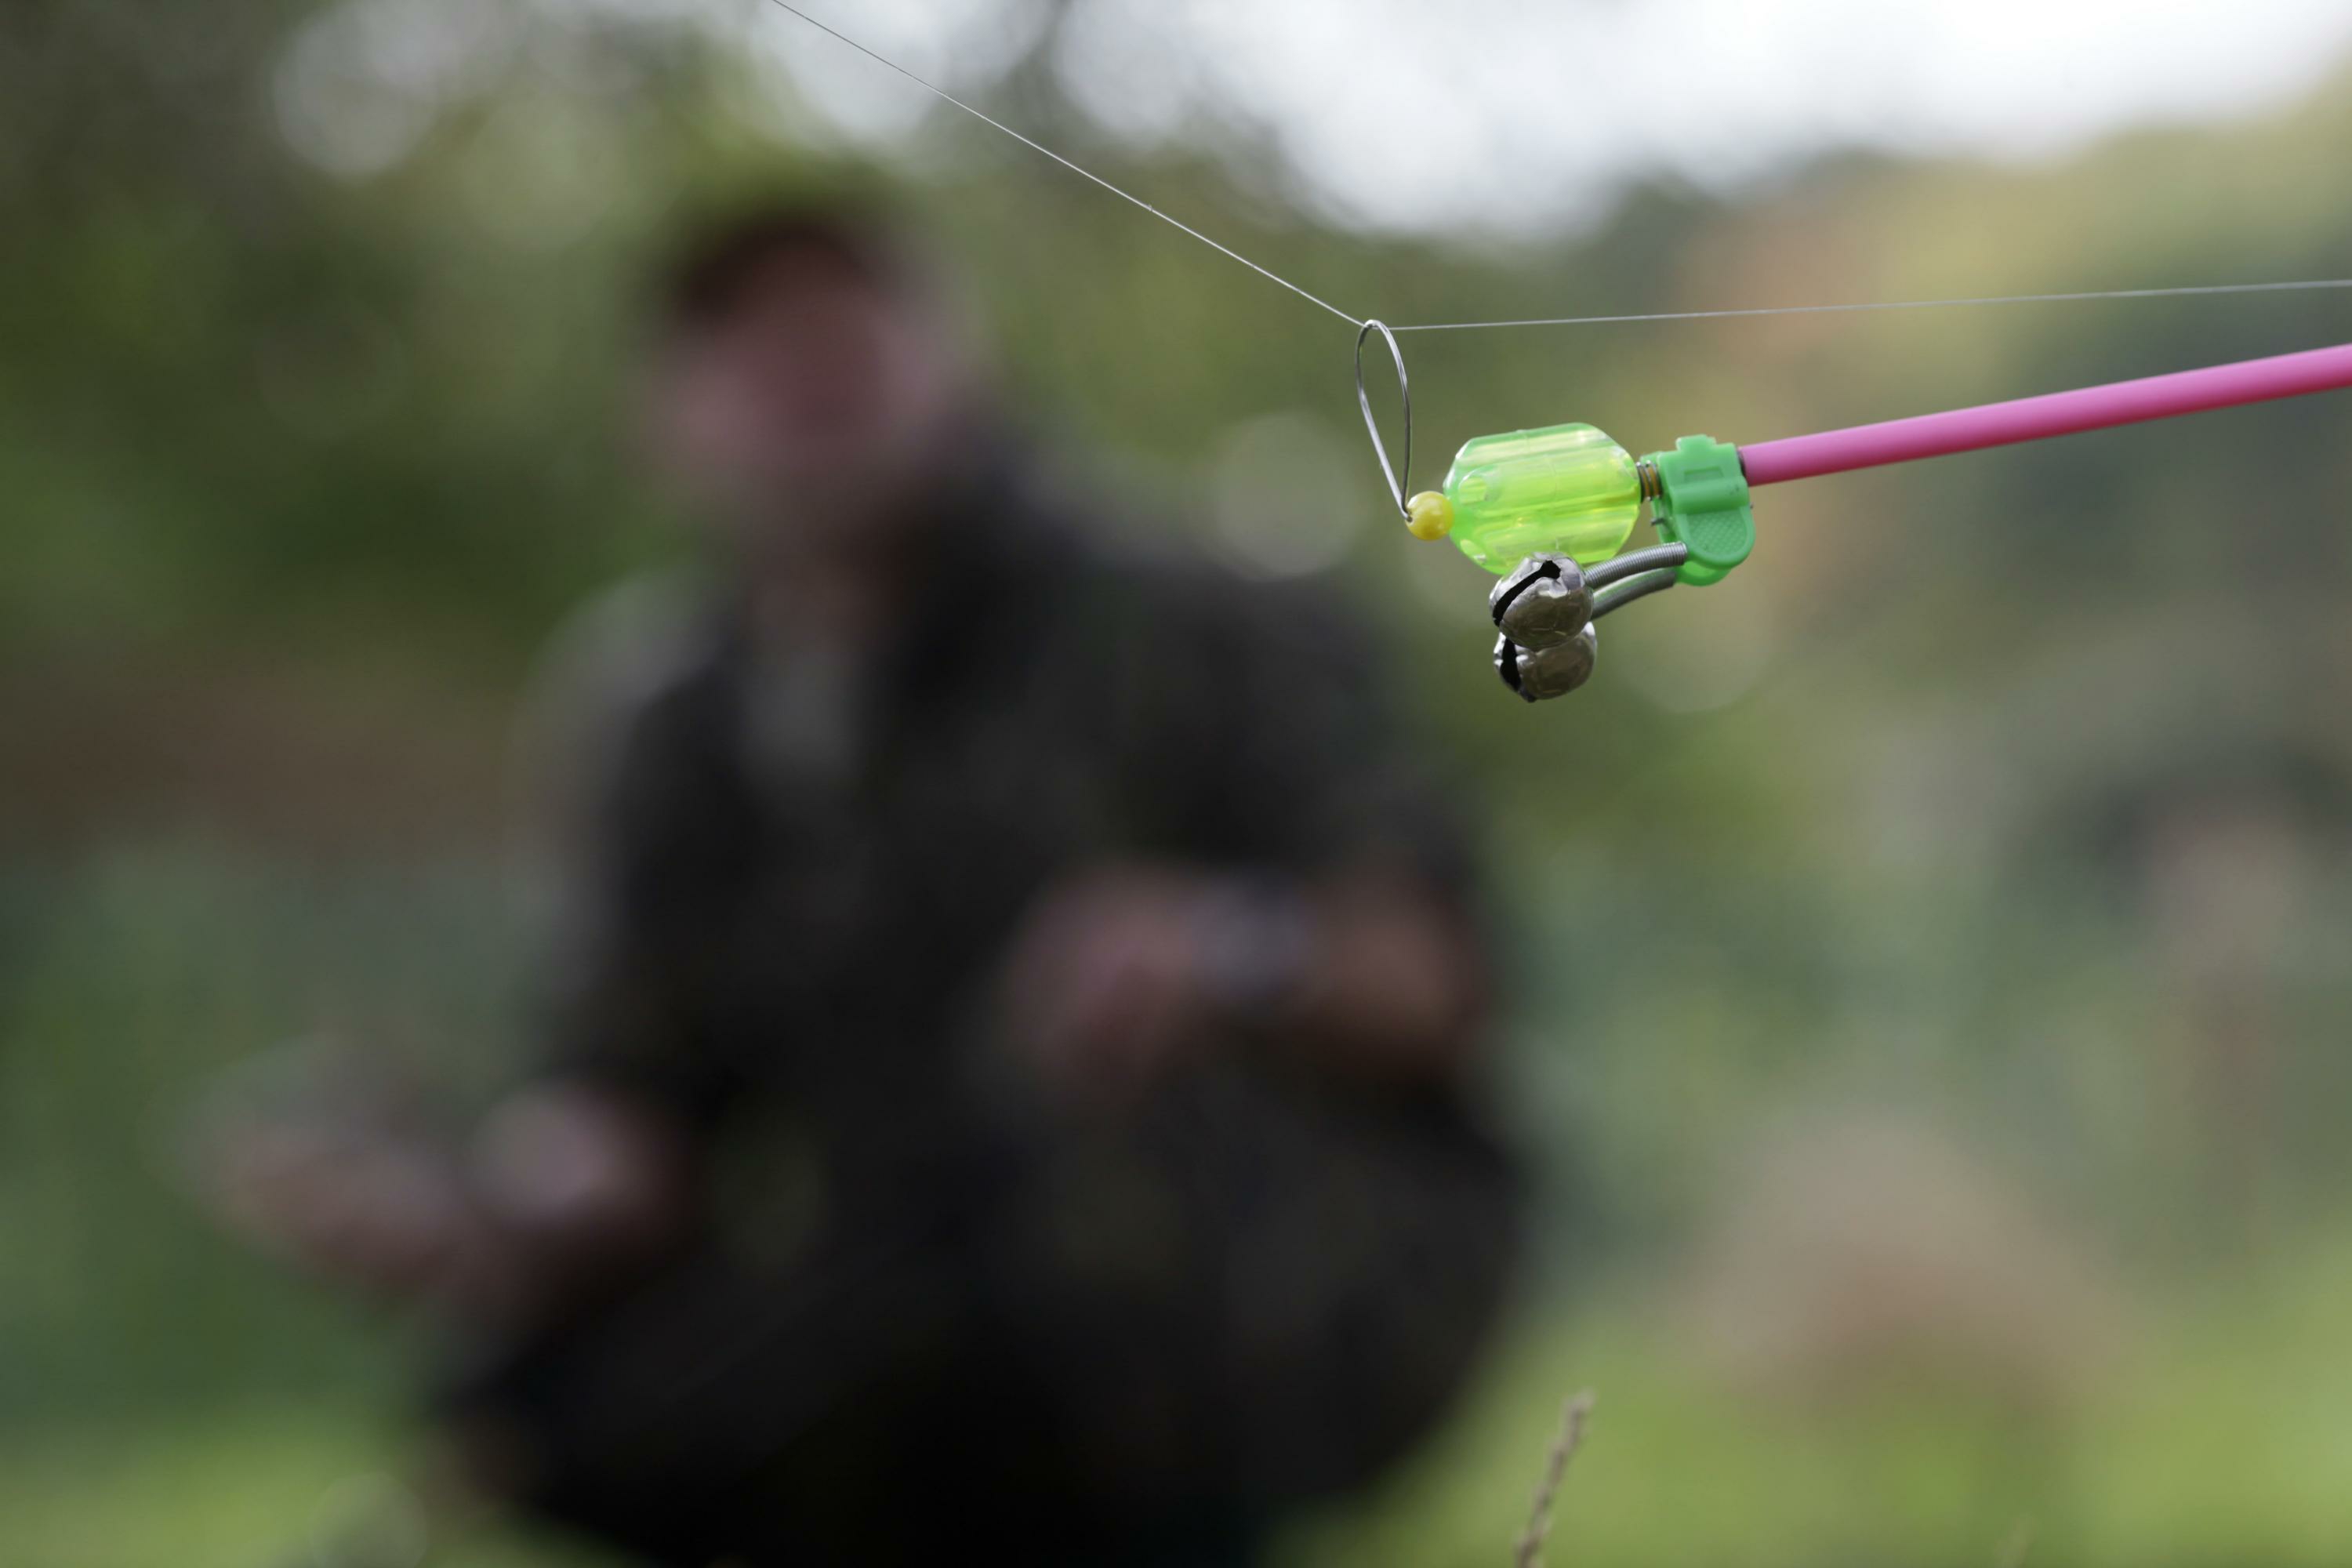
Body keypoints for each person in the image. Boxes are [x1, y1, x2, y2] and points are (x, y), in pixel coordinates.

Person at [207, 193, 1521, 1566]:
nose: (800, 358)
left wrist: (1226, 947)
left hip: (1206, 1329)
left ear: (962, 352)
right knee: (555, 1389)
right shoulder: (662, 713)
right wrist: (483, 1209)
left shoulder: (1208, 616)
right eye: (734, 333)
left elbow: (1437, 978)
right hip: (871, 1320)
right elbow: (632, 1099)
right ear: (662, 418)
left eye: (848, 316)